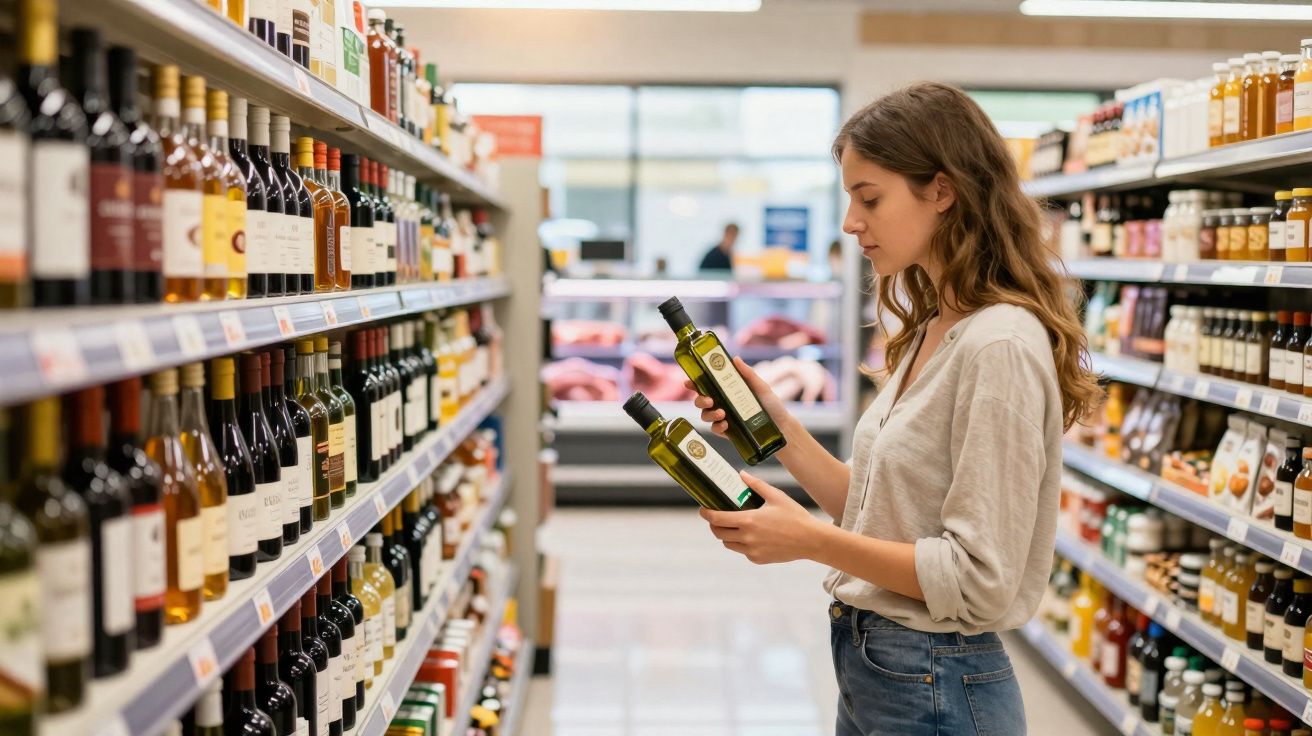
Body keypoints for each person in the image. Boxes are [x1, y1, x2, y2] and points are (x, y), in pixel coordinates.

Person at [689, 82, 1099, 735]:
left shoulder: (998, 346)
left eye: (869, 198)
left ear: (942, 190)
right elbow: (880, 512)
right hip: (880, 670)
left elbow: (978, 577)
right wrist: (777, 424)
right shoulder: (939, 324)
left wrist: (809, 542)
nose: (851, 222)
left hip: (935, 683)